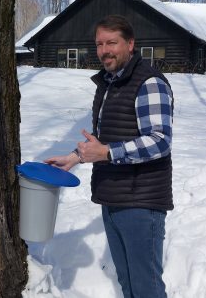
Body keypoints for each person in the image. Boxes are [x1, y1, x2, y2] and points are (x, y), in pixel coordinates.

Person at [44, 15, 174, 298]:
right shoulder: (110, 82)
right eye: (100, 44)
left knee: (146, 287)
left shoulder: (148, 83)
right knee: (128, 283)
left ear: (130, 44)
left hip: (141, 202)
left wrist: (106, 152)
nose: (105, 50)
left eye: (112, 43)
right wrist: (75, 157)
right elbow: (107, 138)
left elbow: (160, 141)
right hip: (114, 197)